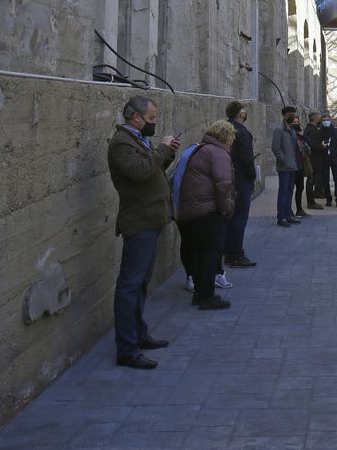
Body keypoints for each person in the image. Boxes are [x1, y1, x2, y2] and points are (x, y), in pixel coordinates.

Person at [108, 95, 181, 369]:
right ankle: (127, 348)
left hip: (151, 219)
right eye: (151, 118)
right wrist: (161, 149)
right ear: (136, 117)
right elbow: (140, 171)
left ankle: (139, 333)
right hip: (138, 221)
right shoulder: (122, 143)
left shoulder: (138, 140)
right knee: (129, 285)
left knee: (140, 284)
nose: (154, 123)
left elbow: (153, 171)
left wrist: (167, 153)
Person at [176, 120, 237, 311]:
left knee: (200, 253)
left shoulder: (200, 149)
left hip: (194, 210)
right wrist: (226, 209)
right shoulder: (218, 153)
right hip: (208, 212)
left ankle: (200, 293)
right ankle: (206, 297)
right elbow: (223, 184)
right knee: (210, 254)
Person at [223, 102, 258, 268]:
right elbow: (246, 158)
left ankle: (228, 251)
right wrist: (252, 176)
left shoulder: (224, 129)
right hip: (241, 180)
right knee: (239, 217)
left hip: (227, 178)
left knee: (230, 217)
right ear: (240, 114)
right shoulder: (242, 132)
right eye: (243, 111)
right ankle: (236, 254)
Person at [270, 108, 301, 227]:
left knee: (289, 192)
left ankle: (288, 214)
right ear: (284, 115)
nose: (292, 116)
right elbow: (275, 148)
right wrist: (284, 160)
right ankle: (281, 217)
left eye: (293, 114)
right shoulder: (279, 130)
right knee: (283, 192)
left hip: (293, 166)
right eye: (290, 114)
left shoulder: (292, 130)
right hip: (284, 167)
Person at [304, 113, 330, 210]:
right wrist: (322, 146)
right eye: (319, 119)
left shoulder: (309, 129)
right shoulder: (312, 130)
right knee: (311, 180)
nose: (321, 120)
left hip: (314, 158)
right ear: (315, 119)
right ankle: (311, 202)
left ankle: (314, 197)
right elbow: (313, 145)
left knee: (312, 180)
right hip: (314, 159)